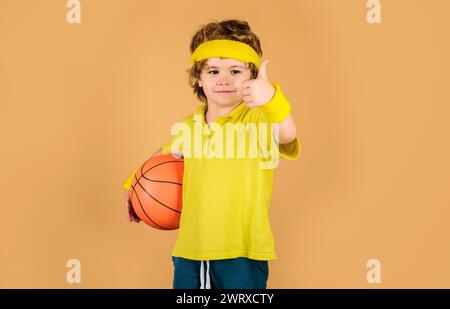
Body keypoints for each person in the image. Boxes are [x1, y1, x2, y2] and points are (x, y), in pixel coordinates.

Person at [123, 19, 301, 289]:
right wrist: (133, 184)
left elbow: (287, 133)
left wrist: (271, 99)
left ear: (252, 77)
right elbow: (163, 155)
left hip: (243, 250)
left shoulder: (257, 119)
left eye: (236, 71)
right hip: (192, 250)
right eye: (214, 71)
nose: (225, 80)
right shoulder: (188, 126)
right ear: (198, 77)